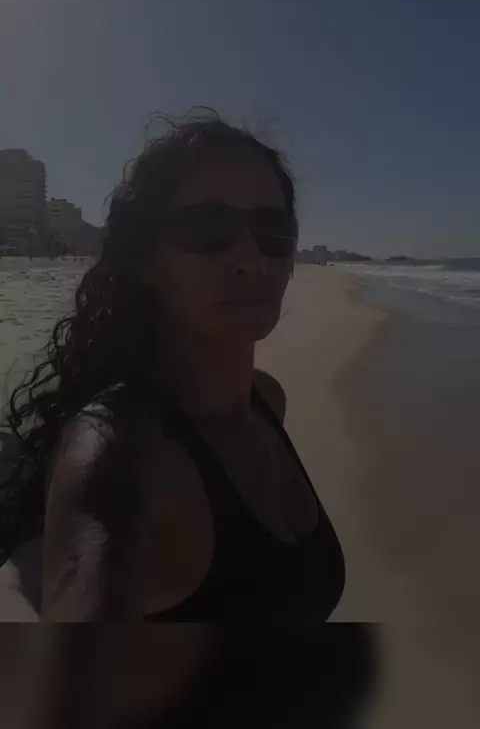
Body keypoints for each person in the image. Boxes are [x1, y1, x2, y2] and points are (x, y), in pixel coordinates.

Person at [0, 109, 375, 727]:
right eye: (208, 229)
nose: (250, 258)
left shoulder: (265, 401)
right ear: (147, 261)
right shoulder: (116, 450)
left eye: (273, 231)